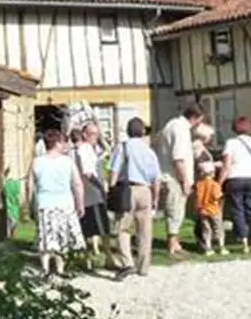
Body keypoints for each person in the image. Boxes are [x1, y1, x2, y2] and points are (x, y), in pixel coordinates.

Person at [26, 128, 85, 276]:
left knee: (44, 236)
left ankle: (45, 268)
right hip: (64, 203)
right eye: (62, 142)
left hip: (44, 202)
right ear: (57, 143)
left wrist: (29, 203)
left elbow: (29, 185)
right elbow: (77, 184)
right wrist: (80, 203)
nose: (64, 145)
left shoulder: (37, 162)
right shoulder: (67, 162)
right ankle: (60, 268)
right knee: (62, 236)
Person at [109, 117, 162, 279]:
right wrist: (155, 197)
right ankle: (144, 266)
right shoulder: (149, 150)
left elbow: (114, 170)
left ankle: (127, 262)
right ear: (142, 132)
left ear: (127, 131)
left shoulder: (123, 147)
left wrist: (111, 189)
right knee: (145, 230)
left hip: (127, 189)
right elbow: (156, 177)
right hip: (145, 189)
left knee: (122, 228)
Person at [157, 104, 203, 258]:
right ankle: (172, 245)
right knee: (175, 211)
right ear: (195, 118)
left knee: (177, 211)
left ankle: (175, 242)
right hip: (174, 177)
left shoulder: (171, 124)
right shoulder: (181, 130)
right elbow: (178, 158)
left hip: (167, 174)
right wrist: (184, 181)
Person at [220, 116, 251, 254]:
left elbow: (227, 165)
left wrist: (220, 181)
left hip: (235, 178)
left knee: (237, 210)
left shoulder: (231, 143)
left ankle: (244, 241)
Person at [72, 121, 113, 271]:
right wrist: (101, 188)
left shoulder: (87, 149)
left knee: (91, 228)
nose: (95, 137)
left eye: (97, 134)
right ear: (84, 134)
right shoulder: (84, 149)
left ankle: (90, 259)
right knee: (99, 229)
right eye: (92, 134)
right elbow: (87, 172)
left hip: (87, 193)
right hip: (92, 193)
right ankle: (106, 258)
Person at [195, 160, 228, 255]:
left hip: (202, 210)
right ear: (212, 173)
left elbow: (197, 197)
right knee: (218, 228)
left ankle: (208, 248)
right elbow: (216, 196)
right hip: (214, 210)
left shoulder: (199, 184)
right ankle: (221, 247)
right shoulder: (215, 185)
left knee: (206, 229)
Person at [3, 167, 22, 239]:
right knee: (13, 223)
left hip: (8, 207)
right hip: (14, 207)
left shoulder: (6, 184)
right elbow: (18, 196)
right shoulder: (16, 184)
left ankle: (9, 236)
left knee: (8, 223)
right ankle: (12, 236)